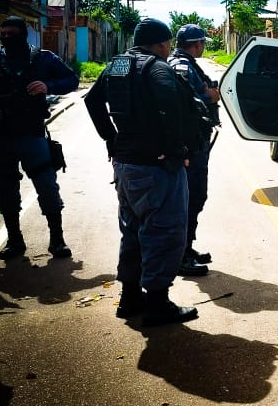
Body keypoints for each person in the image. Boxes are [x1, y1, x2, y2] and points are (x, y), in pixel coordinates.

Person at [84, 18, 201, 327]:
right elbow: (171, 106)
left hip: (126, 165)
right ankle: (158, 304)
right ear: (162, 43)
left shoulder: (118, 64)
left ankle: (130, 297)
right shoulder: (158, 68)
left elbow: (92, 100)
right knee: (165, 232)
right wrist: (175, 150)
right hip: (155, 166)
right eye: (167, 43)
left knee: (133, 230)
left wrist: (111, 139)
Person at [0, 16, 78, 260]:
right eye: (3, 34)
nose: (7, 38)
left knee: (47, 187)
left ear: (24, 34)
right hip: (0, 136)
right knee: (6, 192)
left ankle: (57, 239)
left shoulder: (43, 58)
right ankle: (15, 240)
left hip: (32, 134)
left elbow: (72, 80)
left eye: (12, 34)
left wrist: (48, 85)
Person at [168, 23, 220, 276]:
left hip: (194, 144)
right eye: (202, 43)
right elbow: (185, 100)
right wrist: (211, 96)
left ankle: (186, 248)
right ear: (196, 44)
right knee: (190, 199)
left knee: (194, 198)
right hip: (190, 147)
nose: (203, 47)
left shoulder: (186, 63)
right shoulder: (182, 66)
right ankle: (180, 255)